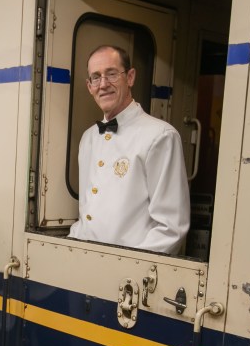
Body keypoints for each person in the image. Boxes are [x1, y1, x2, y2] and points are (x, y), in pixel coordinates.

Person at [68, 44, 190, 254]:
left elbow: (171, 228)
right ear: (89, 86)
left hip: (128, 278)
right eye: (96, 77)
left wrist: (127, 270)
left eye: (112, 74)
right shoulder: (88, 139)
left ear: (130, 77)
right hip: (84, 264)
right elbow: (87, 213)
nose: (103, 84)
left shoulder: (160, 136)